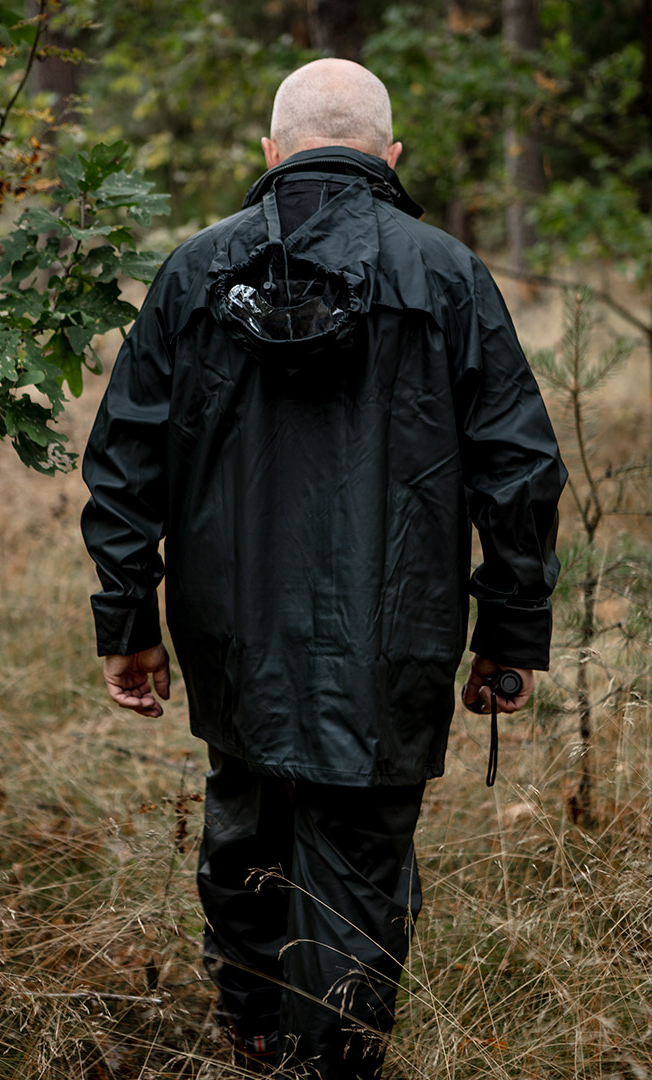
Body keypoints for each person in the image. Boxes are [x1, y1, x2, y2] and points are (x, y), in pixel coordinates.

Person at [81, 59, 566, 1079]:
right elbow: (518, 471)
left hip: (230, 636)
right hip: (394, 636)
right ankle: (327, 1058)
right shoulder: (447, 273)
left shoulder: (193, 272)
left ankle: (257, 1035)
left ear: (271, 151)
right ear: (390, 155)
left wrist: (127, 623)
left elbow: (126, 464)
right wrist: (510, 633)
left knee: (245, 824)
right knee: (358, 864)